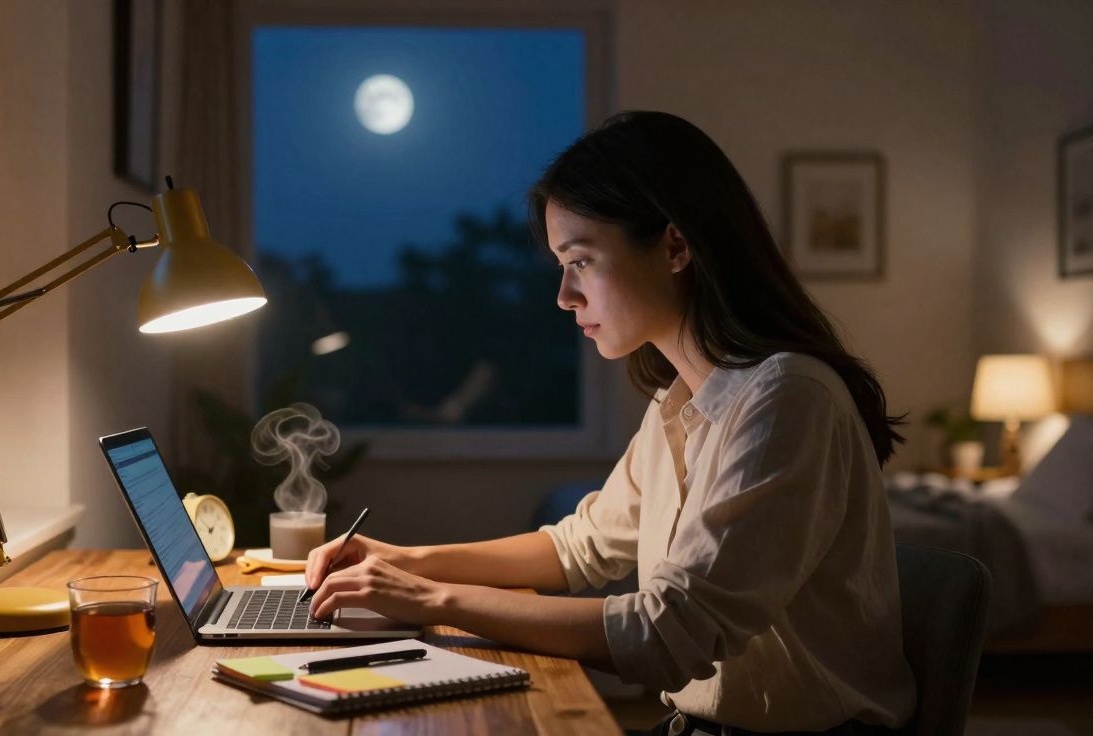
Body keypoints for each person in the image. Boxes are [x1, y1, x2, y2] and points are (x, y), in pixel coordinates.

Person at [304, 111, 916, 735]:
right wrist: (408, 561)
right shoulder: (682, 401)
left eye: (581, 260)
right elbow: (581, 546)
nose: (564, 296)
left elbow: (667, 634)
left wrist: (429, 599)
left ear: (676, 246)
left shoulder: (789, 398)